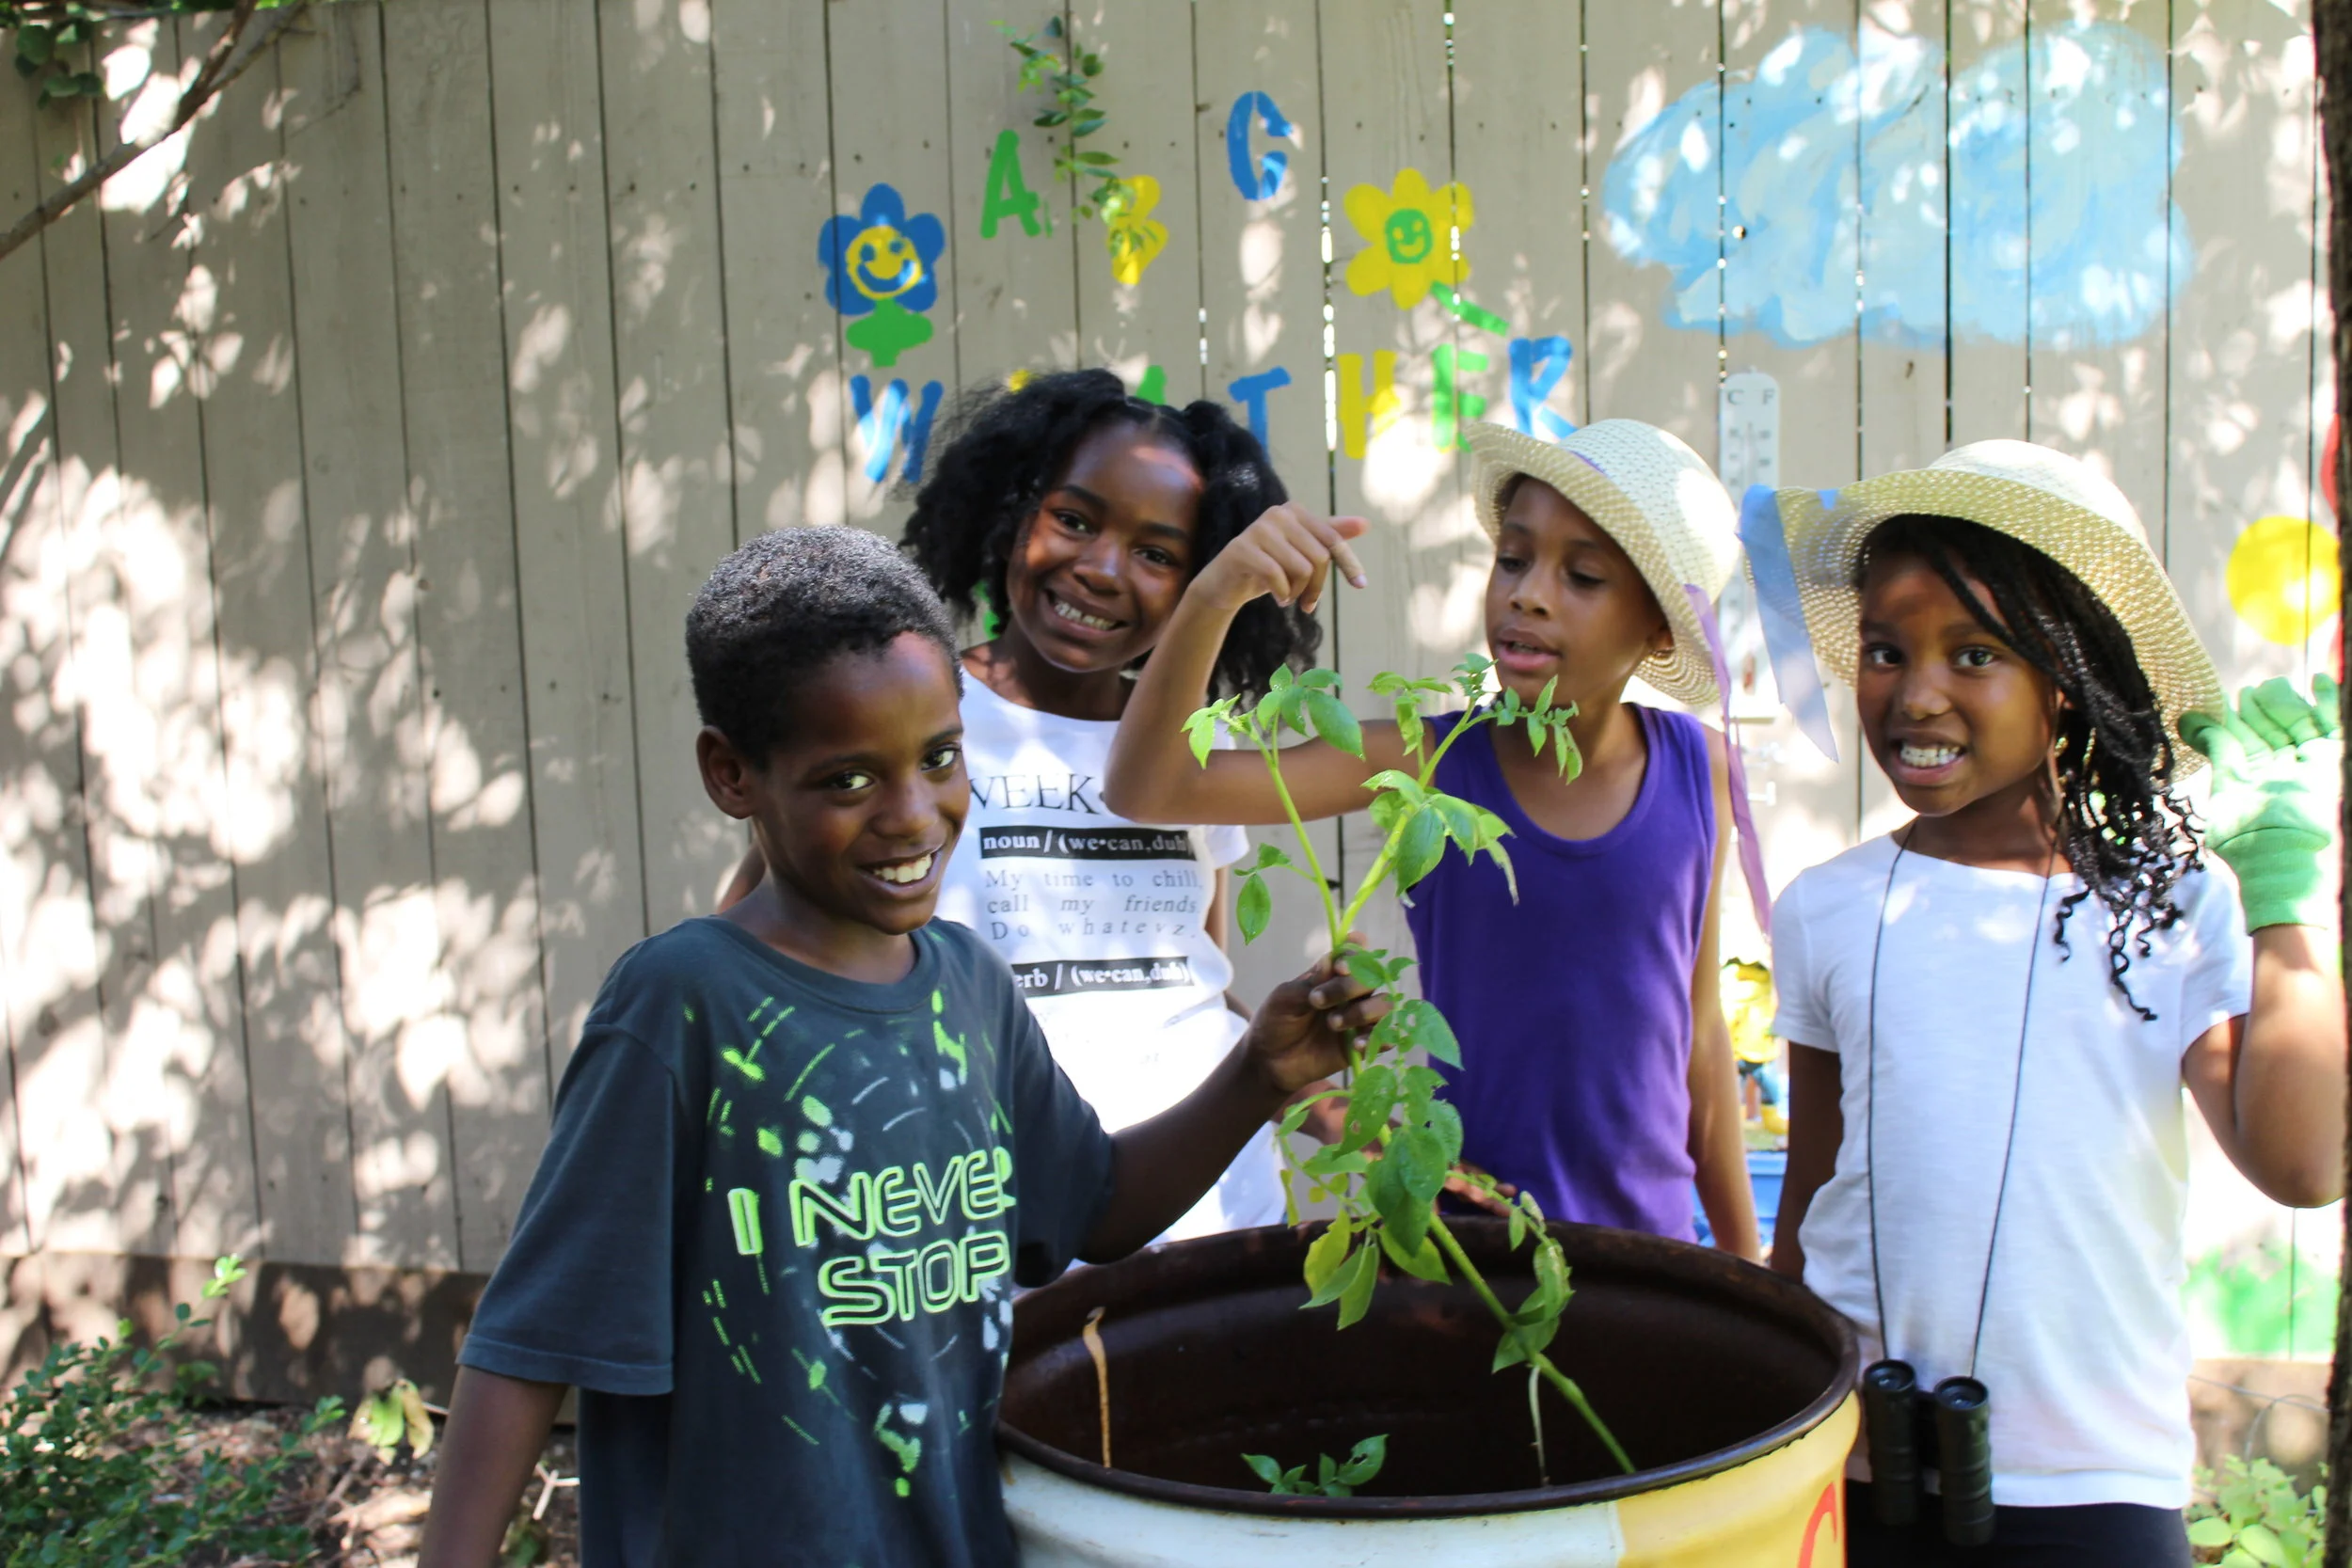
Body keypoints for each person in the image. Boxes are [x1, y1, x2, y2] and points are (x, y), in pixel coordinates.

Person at [419, 527, 1381, 1568]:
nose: (913, 814)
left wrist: (1259, 1073)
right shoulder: (684, 1004)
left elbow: (1095, 1204)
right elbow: (529, 1344)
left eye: (939, 758)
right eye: (847, 780)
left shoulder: (967, 984)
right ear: (732, 772)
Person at [1763, 442, 2346, 1566]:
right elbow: (1814, 1192)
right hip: (1858, 1462)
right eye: (1885, 651)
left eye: (1973, 653)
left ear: (2066, 683)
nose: (1915, 691)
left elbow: (2303, 1162)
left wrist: (2283, 898)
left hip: (2094, 1477)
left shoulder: (2172, 906)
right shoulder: (1824, 910)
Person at [1104, 419, 1761, 1258]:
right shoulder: (1430, 758)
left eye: (1585, 574)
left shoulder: (1700, 770)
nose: (1528, 593)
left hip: (1652, 1252)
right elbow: (1149, 785)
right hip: (1469, 1257)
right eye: (1514, 558)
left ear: (1661, 629)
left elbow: (1699, 1035)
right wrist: (1214, 595)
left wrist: (1747, 1269)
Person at [721, 369, 1350, 1237]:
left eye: (1158, 553)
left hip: (1217, 1225)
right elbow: (751, 968)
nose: (1099, 569)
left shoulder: (1191, 751)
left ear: (1201, 585)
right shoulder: (907, 714)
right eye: (1075, 519)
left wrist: (1340, 1115)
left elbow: (1187, 985)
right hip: (981, 1244)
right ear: (1010, 514)